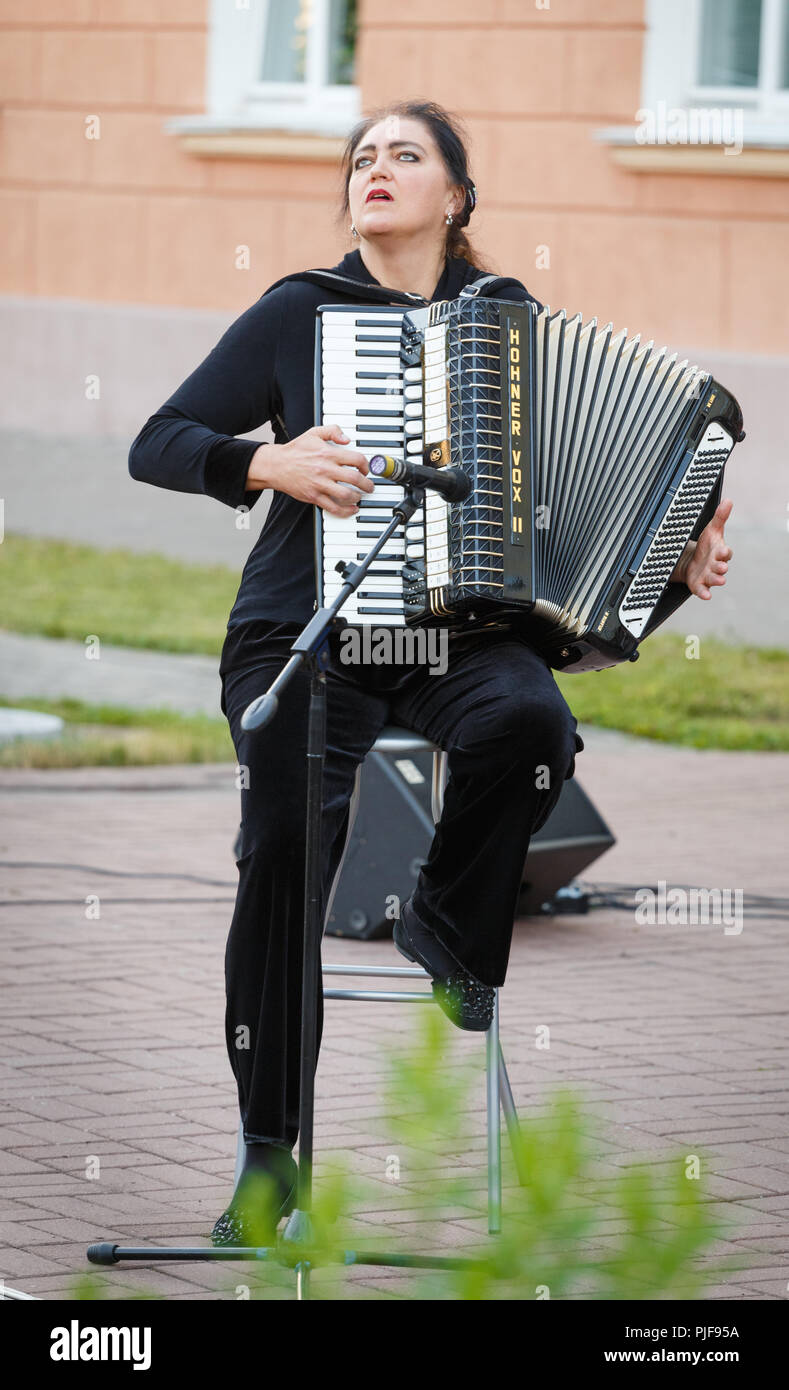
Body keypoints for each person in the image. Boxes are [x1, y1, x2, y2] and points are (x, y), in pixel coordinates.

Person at [128, 100, 735, 1246]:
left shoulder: (505, 325)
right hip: (314, 622)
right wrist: (267, 460)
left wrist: (684, 552)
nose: (376, 169)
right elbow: (156, 438)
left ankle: (450, 932)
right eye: (363, 155)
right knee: (284, 845)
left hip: (458, 633)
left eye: (405, 154)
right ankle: (270, 1157)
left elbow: (582, 509)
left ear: (456, 196)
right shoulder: (301, 313)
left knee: (533, 727)